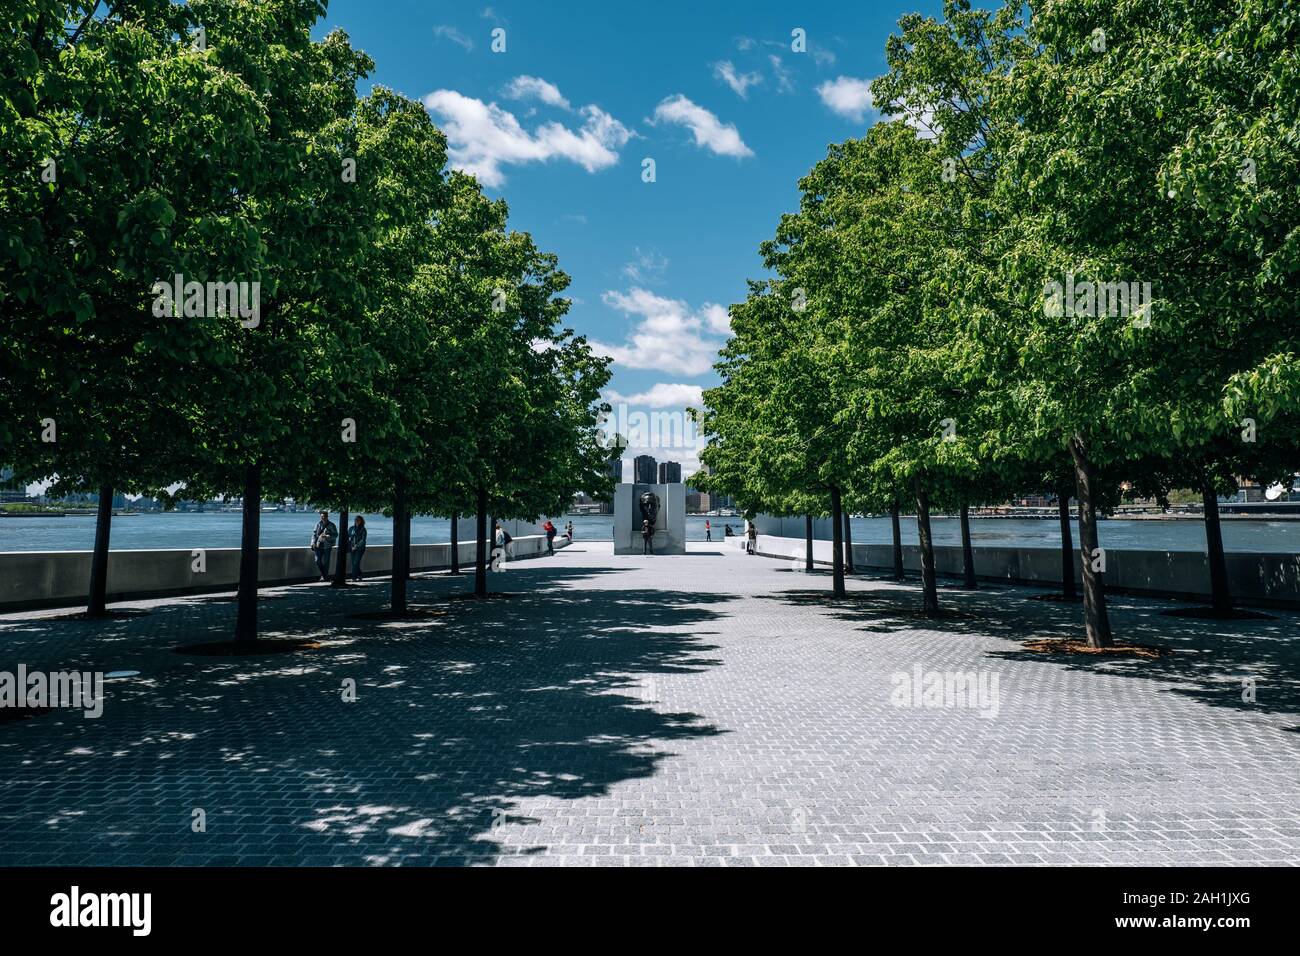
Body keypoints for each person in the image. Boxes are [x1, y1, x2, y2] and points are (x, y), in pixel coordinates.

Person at [311, 510, 338, 580]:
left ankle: (324, 576)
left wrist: (327, 536)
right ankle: (324, 574)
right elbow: (314, 534)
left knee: (326, 562)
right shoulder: (318, 524)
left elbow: (335, 534)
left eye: (324, 516)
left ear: (327, 517)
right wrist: (313, 543)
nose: (323, 518)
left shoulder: (332, 525)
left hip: (327, 545)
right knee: (317, 560)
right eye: (321, 516)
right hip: (319, 545)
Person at [348, 515, 367, 581]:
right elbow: (348, 537)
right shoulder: (351, 528)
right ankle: (360, 574)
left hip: (360, 548)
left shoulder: (363, 529)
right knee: (354, 563)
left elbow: (363, 540)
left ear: (361, 521)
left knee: (356, 562)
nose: (356, 521)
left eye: (358, 520)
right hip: (352, 548)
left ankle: (353, 577)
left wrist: (356, 546)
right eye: (355, 519)